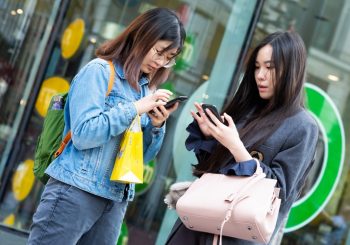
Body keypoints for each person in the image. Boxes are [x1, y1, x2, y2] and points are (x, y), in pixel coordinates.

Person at [28, 7, 186, 245]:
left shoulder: (144, 89)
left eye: (169, 58)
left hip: (114, 199)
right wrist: (135, 108)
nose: (161, 62)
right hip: (75, 191)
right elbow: (83, 134)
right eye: (159, 52)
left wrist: (156, 125)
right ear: (142, 36)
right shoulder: (99, 71)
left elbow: (142, 157)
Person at [166, 31, 319, 244]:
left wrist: (236, 147)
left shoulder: (302, 126)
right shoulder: (247, 109)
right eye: (257, 67)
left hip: (235, 235)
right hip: (196, 224)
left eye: (270, 67)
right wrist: (212, 137)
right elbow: (212, 172)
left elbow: (280, 192)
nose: (260, 75)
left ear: (291, 69)